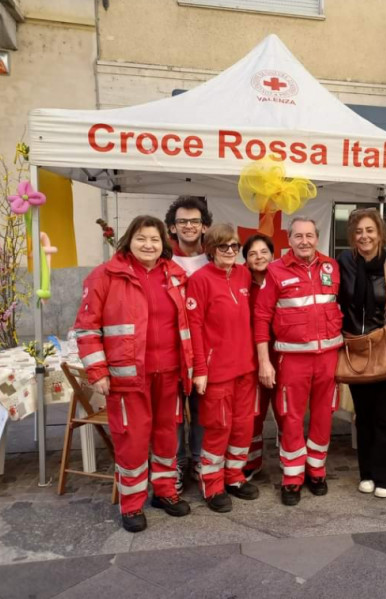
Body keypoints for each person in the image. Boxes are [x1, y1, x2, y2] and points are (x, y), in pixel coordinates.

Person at [74, 215, 194, 533]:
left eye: (154, 239)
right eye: (141, 238)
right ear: (129, 239)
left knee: (168, 439)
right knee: (132, 441)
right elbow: (86, 329)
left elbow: (188, 327)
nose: (148, 245)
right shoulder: (105, 277)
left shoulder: (176, 275)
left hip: (169, 374)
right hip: (127, 378)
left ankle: (166, 493)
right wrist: (98, 371)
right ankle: (131, 505)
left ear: (164, 244)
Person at [255, 217, 344, 506]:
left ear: (317, 238)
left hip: (328, 357)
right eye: (298, 236)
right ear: (289, 240)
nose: (304, 241)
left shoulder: (331, 266)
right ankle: (292, 477)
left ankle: (316, 470)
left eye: (309, 235)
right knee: (291, 417)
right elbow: (261, 318)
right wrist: (264, 361)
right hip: (292, 359)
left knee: (322, 415)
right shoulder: (275, 271)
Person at [337, 208, 386, 498]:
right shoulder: (344, 261)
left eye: (369, 230)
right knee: (362, 414)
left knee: (383, 414)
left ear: (380, 233)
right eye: (358, 231)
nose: (364, 236)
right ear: (352, 236)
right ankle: (366, 472)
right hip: (354, 347)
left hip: (384, 346)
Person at [186, 224, 258, 512]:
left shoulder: (244, 274)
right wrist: (200, 370)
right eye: (223, 246)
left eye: (234, 246)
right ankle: (212, 485)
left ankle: (234, 477)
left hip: (245, 368)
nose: (230, 251)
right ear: (210, 249)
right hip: (216, 374)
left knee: (242, 427)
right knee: (218, 429)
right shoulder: (200, 280)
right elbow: (195, 328)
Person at [165, 196, 212, 494]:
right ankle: (176, 465)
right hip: (171, 348)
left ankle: (198, 461)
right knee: (172, 414)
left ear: (204, 226)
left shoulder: (214, 258)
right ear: (173, 226)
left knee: (203, 409)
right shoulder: (162, 260)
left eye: (195, 221)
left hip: (205, 349)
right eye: (183, 221)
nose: (189, 226)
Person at [242, 234, 276, 480]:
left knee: (287, 414)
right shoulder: (240, 283)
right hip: (251, 357)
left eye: (263, 252)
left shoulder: (282, 279)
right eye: (252, 254)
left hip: (285, 354)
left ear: (273, 255)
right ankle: (251, 463)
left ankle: (292, 463)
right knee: (253, 414)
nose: (259, 257)